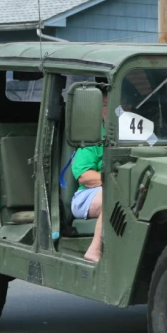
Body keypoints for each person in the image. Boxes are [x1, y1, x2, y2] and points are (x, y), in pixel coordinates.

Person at [70, 89, 107, 262]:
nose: (115, 110)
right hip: (88, 195)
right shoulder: (93, 136)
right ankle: (94, 249)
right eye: (107, 105)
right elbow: (85, 176)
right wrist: (117, 180)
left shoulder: (136, 133)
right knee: (115, 197)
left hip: (125, 189)